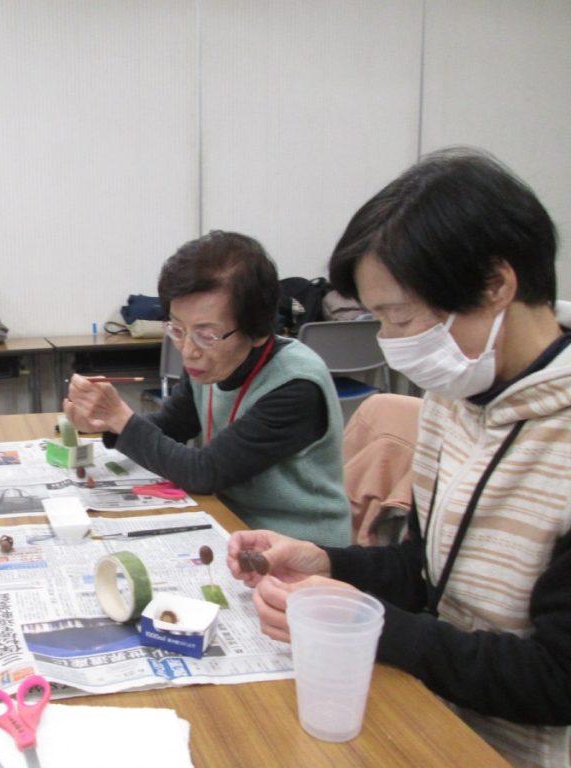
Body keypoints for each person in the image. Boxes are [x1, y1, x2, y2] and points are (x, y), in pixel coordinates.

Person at [229, 149, 571, 767]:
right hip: (431, 708)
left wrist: (373, 625)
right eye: (379, 320)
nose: (390, 343)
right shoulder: (455, 400)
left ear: (497, 285)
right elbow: (430, 570)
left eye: (403, 317)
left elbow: (556, 680)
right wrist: (328, 562)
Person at [64, 230, 350, 547]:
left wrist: (121, 418)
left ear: (258, 331)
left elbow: (205, 472)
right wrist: (105, 423)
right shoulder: (212, 364)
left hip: (299, 546)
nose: (188, 351)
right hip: (231, 521)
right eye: (177, 329)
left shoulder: (296, 386)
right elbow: (171, 425)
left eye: (207, 335)